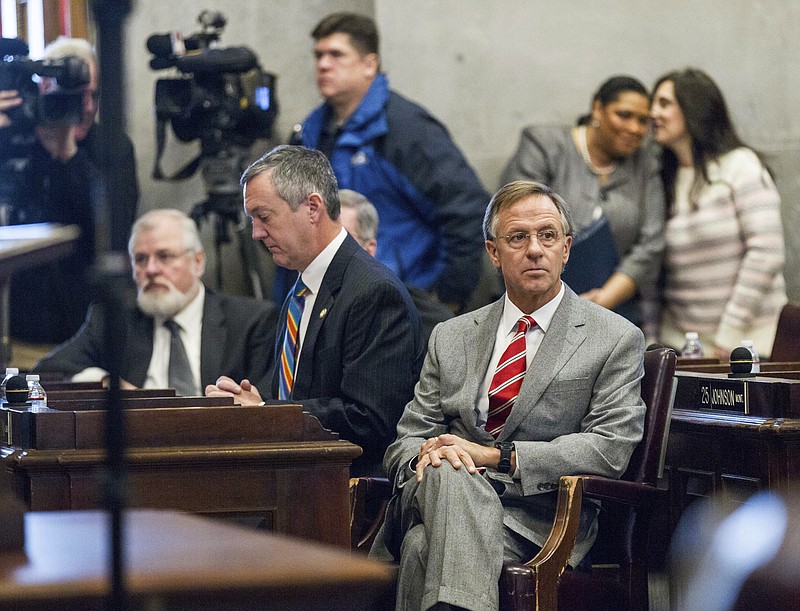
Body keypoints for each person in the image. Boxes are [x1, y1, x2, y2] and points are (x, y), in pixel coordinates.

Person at [376, 181, 646, 610]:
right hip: (438, 495)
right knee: (448, 470)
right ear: (493, 253)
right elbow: (406, 441)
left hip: (537, 520)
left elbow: (610, 448)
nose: (535, 249)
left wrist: (496, 458)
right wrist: (428, 456)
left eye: (548, 235)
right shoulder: (452, 336)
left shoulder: (613, 338)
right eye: (518, 237)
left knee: (420, 548)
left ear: (567, 249)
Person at [206, 145, 424, 477]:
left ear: (312, 207)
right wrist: (248, 402)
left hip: (346, 491)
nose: (256, 233)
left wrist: (266, 412)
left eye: (264, 217)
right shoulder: (302, 288)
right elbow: (299, 391)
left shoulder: (373, 292)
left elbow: (370, 420)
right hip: (296, 477)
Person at [292, 12, 489, 312]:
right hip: (334, 309)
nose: (323, 65)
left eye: (336, 55)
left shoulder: (407, 130)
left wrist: (446, 301)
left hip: (403, 305)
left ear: (369, 64)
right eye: (318, 55)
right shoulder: (311, 132)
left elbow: (468, 211)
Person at [1, 37, 139, 368]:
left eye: (95, 95)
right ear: (43, 87)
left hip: (89, 336)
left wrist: (66, 155)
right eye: (77, 96)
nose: (88, 107)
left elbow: (111, 238)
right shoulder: (11, 138)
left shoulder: (111, 147)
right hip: (14, 330)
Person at [35, 209, 277, 394]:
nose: (151, 270)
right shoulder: (114, 320)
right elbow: (47, 371)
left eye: (164, 256)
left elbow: (266, 402)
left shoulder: (251, 322)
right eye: (140, 259)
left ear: (198, 262)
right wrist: (109, 382)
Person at [502, 76, 665, 327]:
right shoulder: (545, 145)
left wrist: (604, 299)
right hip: (536, 305)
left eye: (643, 121)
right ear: (597, 108)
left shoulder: (645, 165)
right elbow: (516, 216)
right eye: (624, 115)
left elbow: (651, 244)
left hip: (615, 313)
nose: (634, 128)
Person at [650, 68, 787, 359]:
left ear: (693, 108)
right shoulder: (662, 177)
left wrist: (729, 334)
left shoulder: (740, 165)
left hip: (747, 347)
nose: (653, 113)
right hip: (682, 348)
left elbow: (767, 253)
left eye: (664, 103)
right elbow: (652, 265)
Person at [338, 188, 453, 343]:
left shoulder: (410, 311)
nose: (330, 246)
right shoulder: (300, 297)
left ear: (369, 248)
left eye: (342, 237)